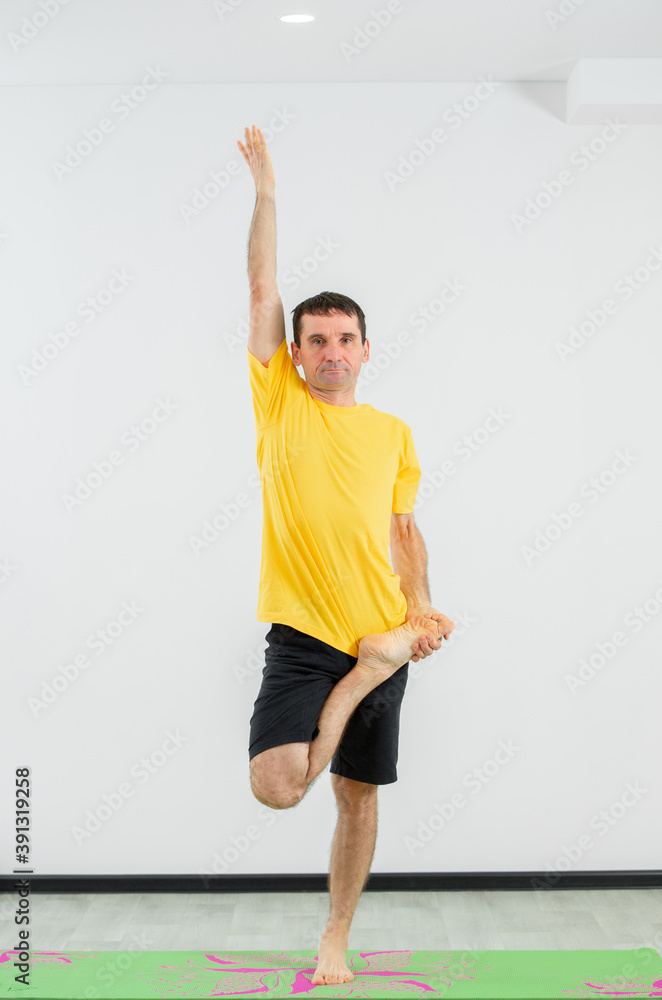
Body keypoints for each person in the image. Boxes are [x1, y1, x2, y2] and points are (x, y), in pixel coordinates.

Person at [237, 124, 455, 987]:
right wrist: (266, 194)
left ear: (365, 349)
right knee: (278, 785)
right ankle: (367, 673)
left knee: (355, 797)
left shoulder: (394, 432)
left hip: (385, 625)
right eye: (316, 340)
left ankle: (337, 937)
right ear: (295, 353)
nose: (331, 352)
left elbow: (404, 531)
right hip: (305, 636)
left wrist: (421, 609)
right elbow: (262, 286)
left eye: (345, 339)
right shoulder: (279, 402)